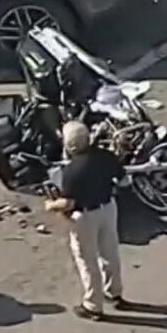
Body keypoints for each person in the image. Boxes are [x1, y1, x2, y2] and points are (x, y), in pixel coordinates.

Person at [45, 120, 132, 320]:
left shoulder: (72, 171)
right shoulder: (105, 156)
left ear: (69, 145)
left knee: (87, 259)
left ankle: (93, 305)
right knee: (110, 253)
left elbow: (68, 203)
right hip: (109, 208)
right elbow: (125, 180)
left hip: (85, 217)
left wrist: (51, 205)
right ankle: (114, 293)